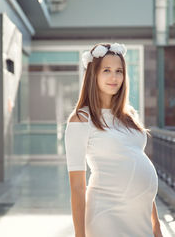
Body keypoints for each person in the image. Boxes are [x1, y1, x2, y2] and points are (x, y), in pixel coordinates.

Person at [64, 43, 163, 237]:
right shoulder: (81, 120)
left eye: (119, 71)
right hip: (107, 214)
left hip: (139, 217)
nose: (114, 77)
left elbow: (135, 165)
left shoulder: (130, 115)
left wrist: (156, 225)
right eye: (107, 70)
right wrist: (79, 235)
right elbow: (77, 187)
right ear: (93, 74)